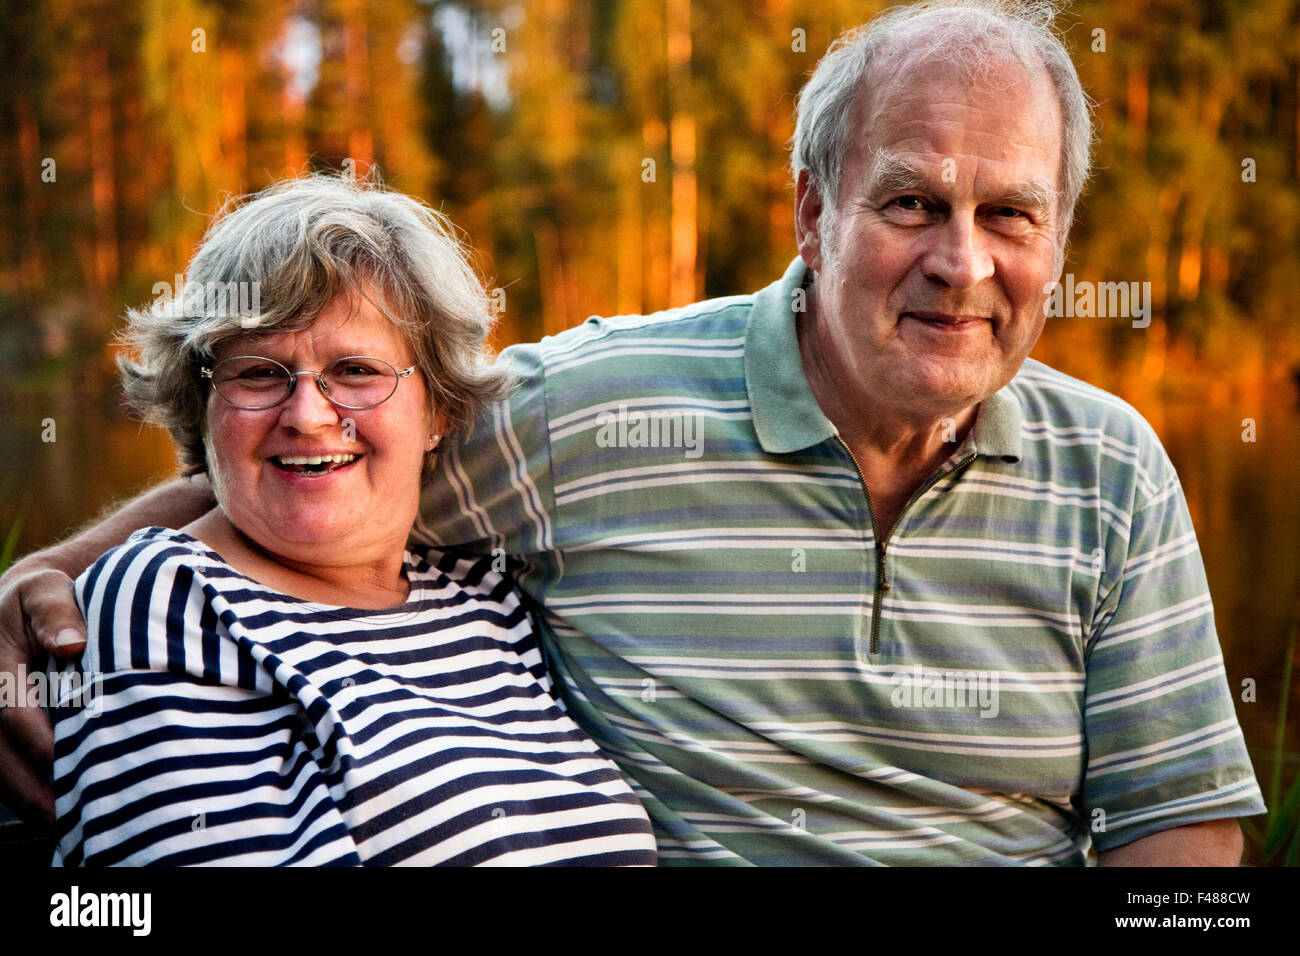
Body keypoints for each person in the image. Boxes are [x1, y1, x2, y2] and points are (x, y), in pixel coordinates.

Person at [1, 0, 1264, 865]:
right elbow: (326, 461)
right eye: (912, 200)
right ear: (813, 211)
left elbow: (1180, 830)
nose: (961, 261)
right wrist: (61, 572)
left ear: (1059, 241)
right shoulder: (600, 409)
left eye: (1011, 214)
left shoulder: (1112, 471)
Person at [43, 175, 656, 865]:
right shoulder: (168, 599)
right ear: (202, 402)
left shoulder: (485, 598)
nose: (307, 414)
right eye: (260, 374)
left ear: (440, 410)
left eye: (357, 369)